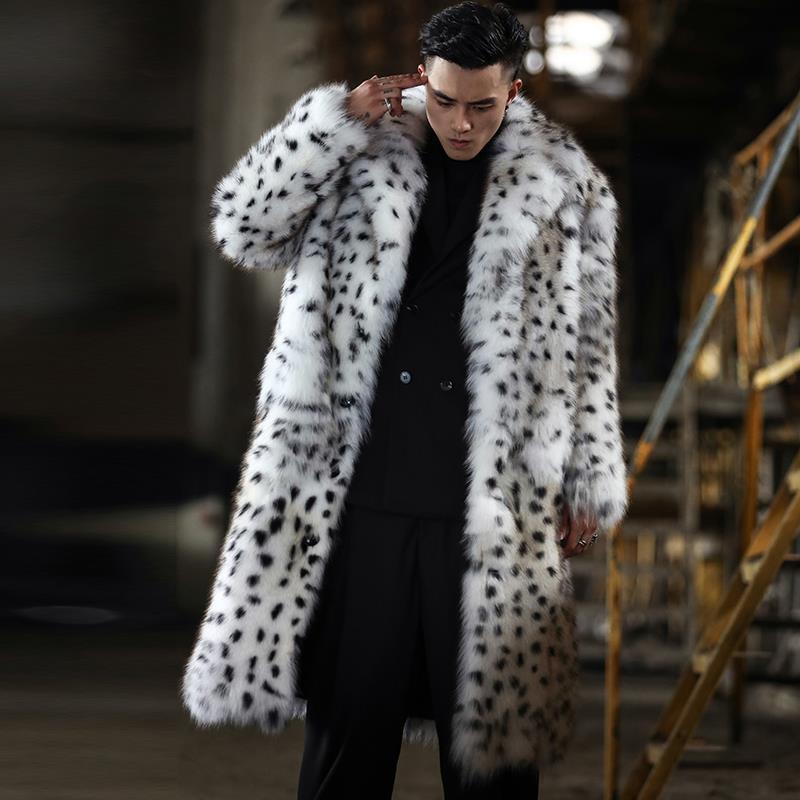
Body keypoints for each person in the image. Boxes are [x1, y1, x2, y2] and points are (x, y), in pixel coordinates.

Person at [181, 2, 629, 798]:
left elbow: (590, 340)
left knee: (494, 748)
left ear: (514, 89)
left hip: (489, 501)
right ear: (423, 77)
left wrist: (589, 475)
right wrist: (328, 124)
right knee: (349, 740)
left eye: (482, 105)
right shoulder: (358, 149)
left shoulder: (566, 184)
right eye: (446, 100)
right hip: (360, 495)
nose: (462, 122)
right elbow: (243, 229)